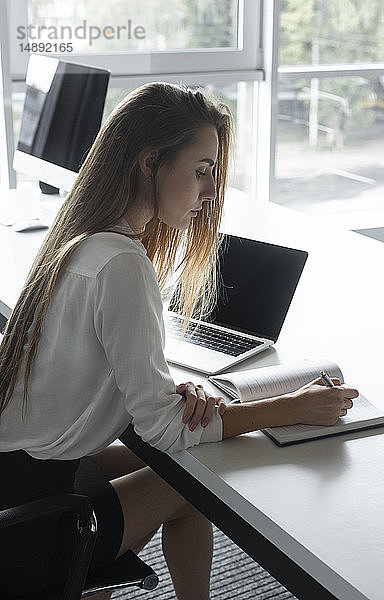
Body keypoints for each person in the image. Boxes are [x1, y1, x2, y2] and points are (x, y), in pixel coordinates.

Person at [0, 82, 358, 600]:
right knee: (192, 487)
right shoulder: (123, 263)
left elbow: (100, 381)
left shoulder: (82, 239)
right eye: (202, 169)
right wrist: (290, 408)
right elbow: (167, 432)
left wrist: (169, 393)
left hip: (17, 483)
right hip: (31, 528)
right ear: (151, 162)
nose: (211, 191)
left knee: (187, 470)